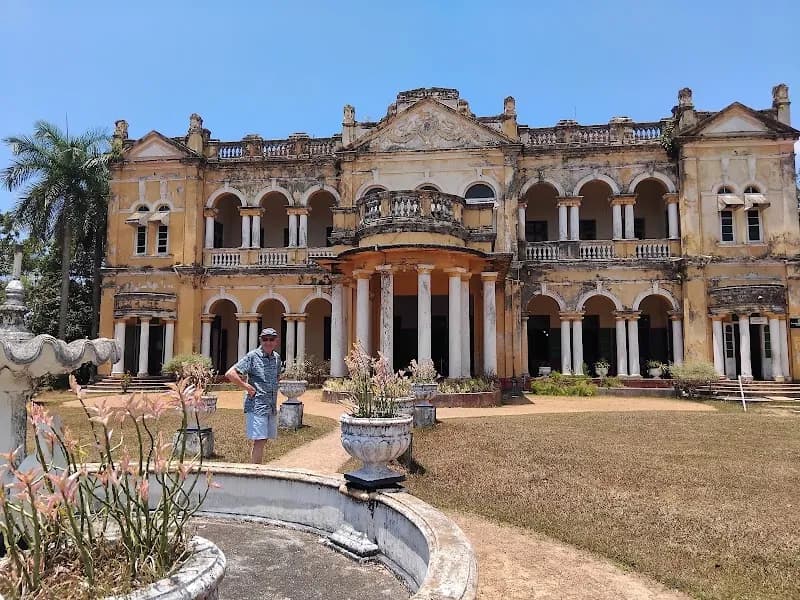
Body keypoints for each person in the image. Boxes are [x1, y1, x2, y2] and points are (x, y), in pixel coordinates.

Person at [225, 327, 281, 463]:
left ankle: (256, 467)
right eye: (265, 339)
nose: (268, 342)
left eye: (271, 339)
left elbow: (277, 376)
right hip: (257, 405)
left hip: (270, 405)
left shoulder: (276, 358)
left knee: (264, 439)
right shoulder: (253, 356)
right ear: (261, 340)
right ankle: (256, 469)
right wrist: (246, 386)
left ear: (276, 341)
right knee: (259, 440)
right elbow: (230, 373)